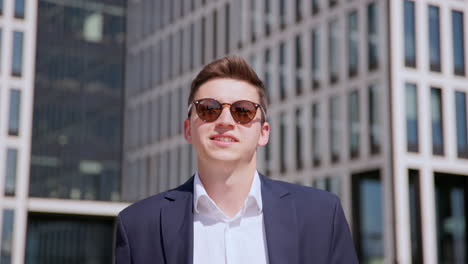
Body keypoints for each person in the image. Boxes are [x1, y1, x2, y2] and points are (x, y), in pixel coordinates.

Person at [115, 56, 359, 264]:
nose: (225, 121)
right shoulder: (138, 225)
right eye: (209, 109)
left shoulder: (321, 216)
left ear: (263, 133)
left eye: (243, 111)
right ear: (188, 129)